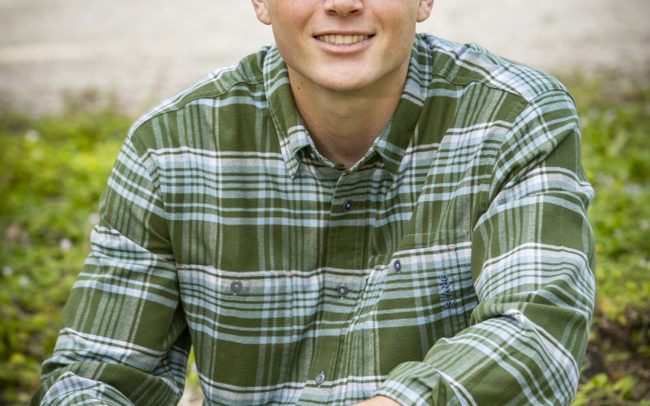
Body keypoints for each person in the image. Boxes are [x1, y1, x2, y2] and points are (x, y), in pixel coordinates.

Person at [32, 0, 596, 405]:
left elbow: (538, 329)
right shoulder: (170, 147)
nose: (343, 4)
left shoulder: (513, 118)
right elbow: (99, 374)